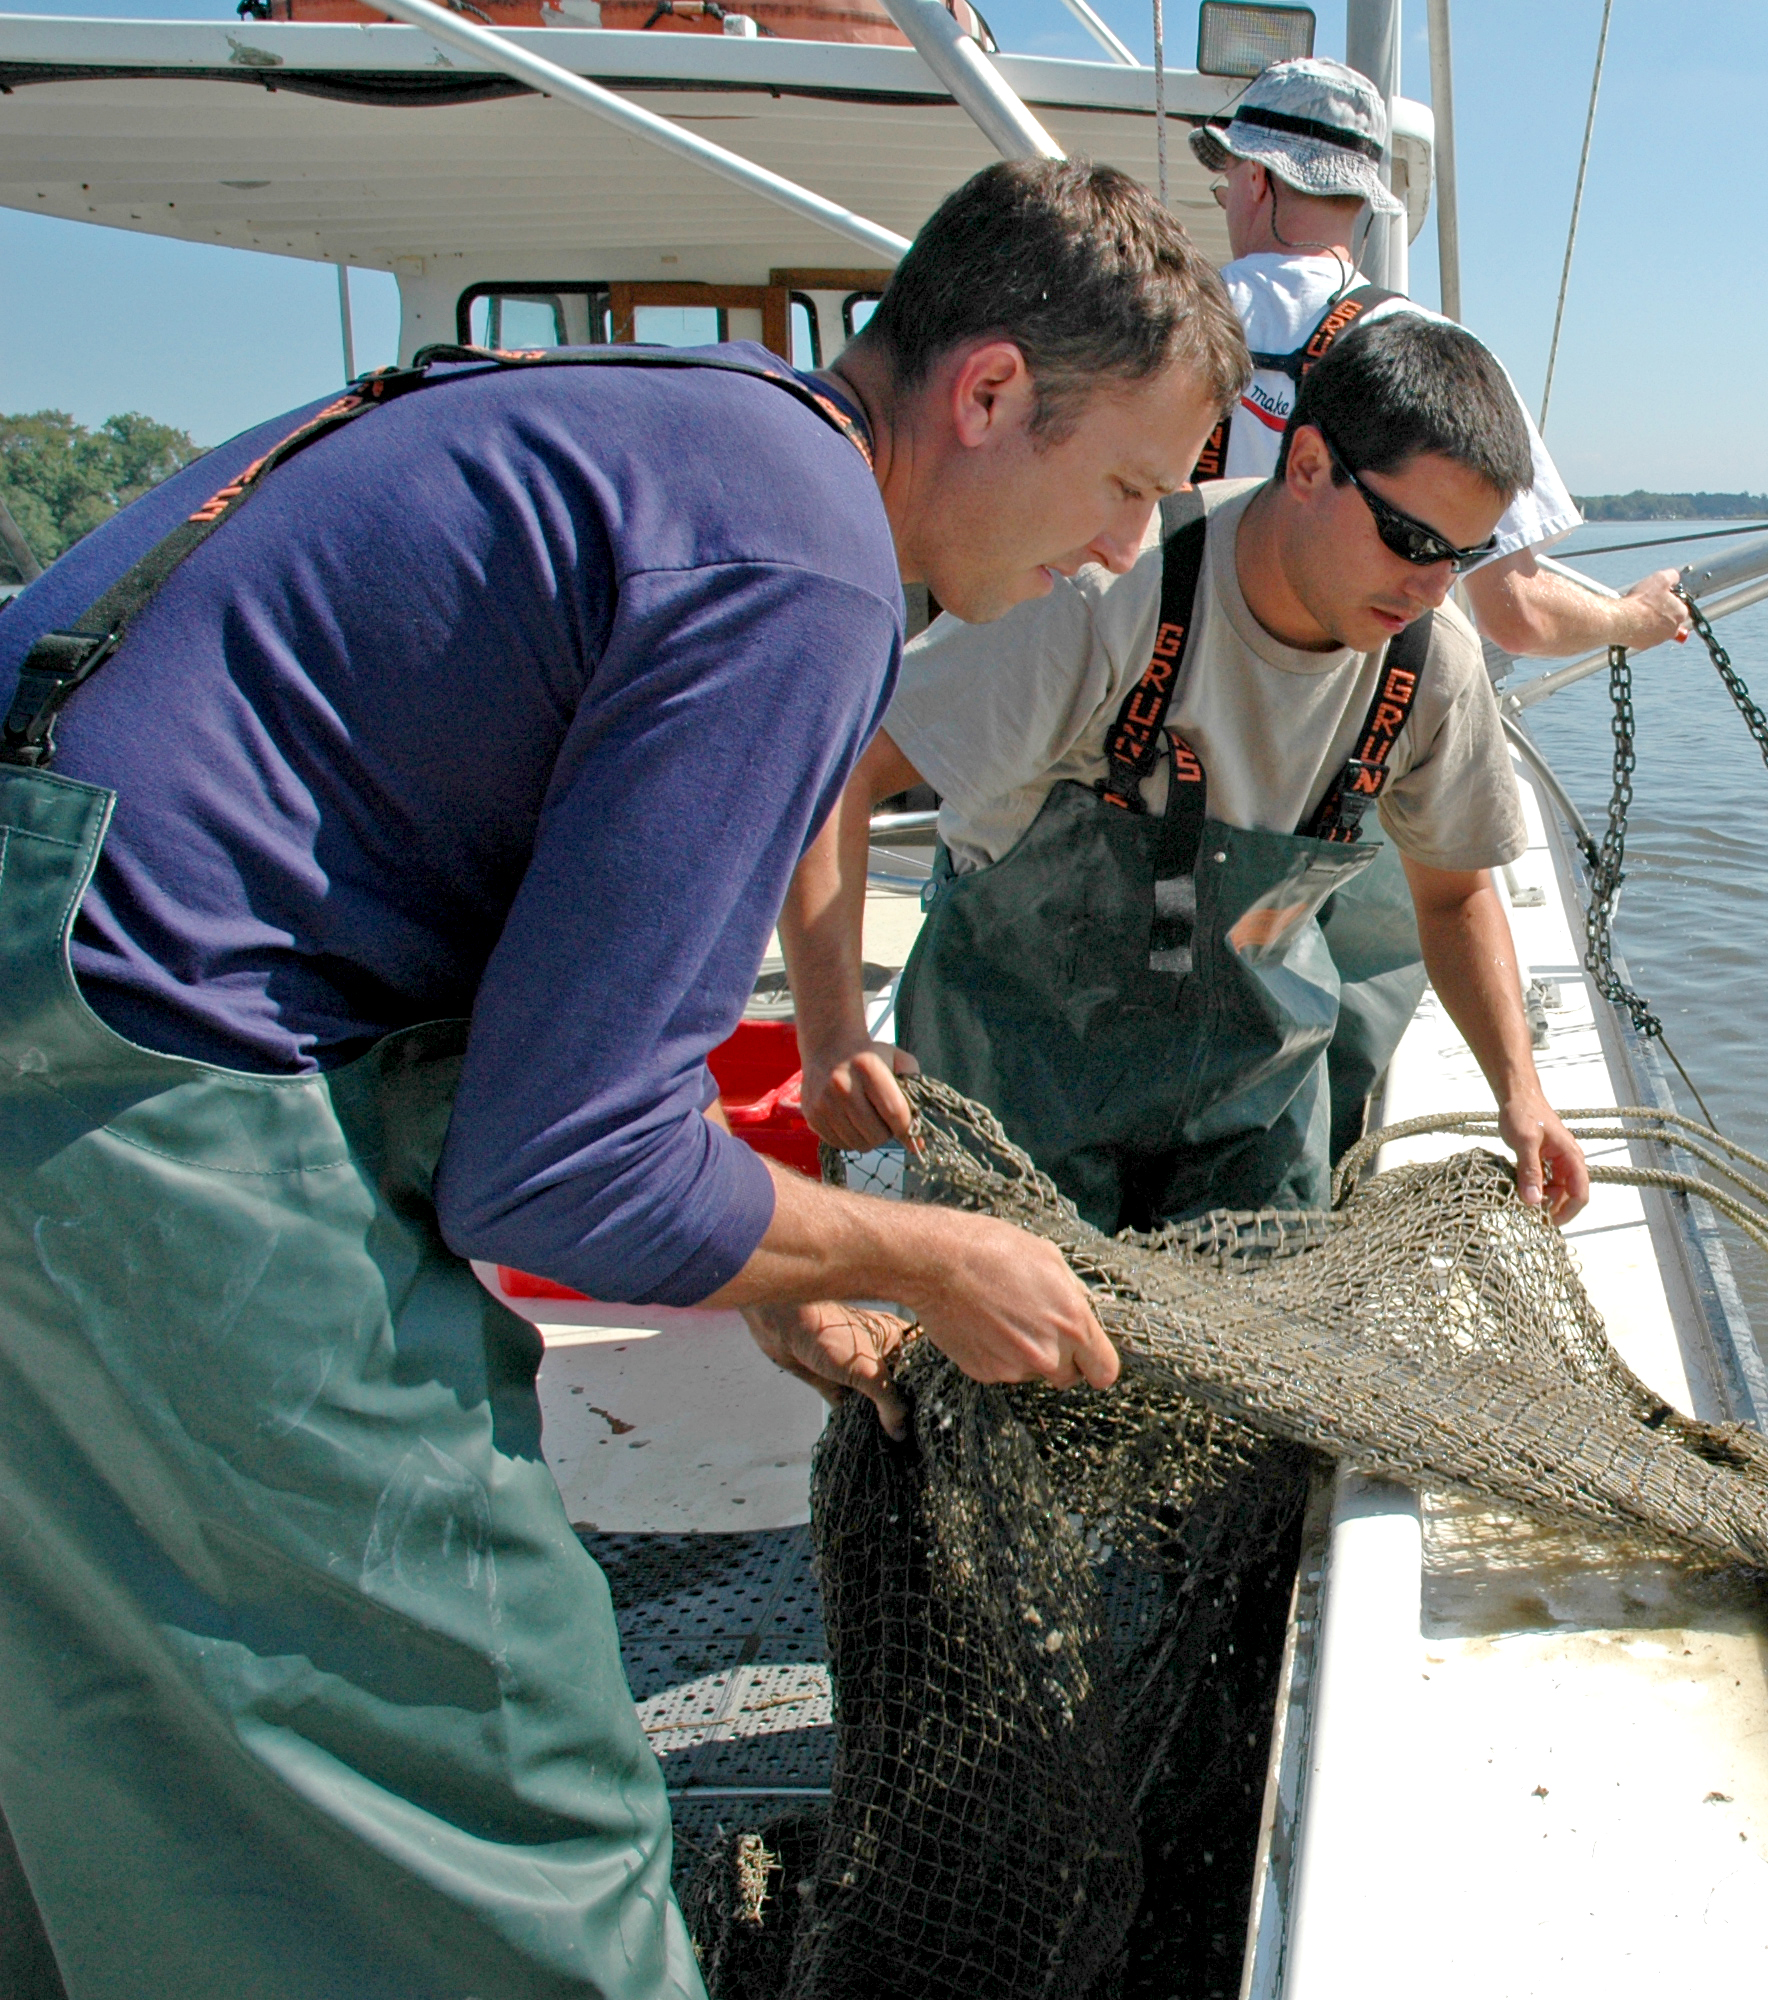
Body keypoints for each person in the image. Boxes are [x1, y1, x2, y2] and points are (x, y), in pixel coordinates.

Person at [0, 159, 1244, 2000]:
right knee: (500, 1785)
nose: (1122, 554)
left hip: (65, 972)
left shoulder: (683, 429)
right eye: (1128, 485)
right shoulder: (808, 560)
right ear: (985, 396)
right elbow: (559, 1172)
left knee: (97, 1754)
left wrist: (775, 1269)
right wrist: (922, 1259)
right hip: (125, 1091)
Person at [784, 311, 1592, 1237]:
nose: (1432, 587)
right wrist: (835, 1035)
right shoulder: (1103, 597)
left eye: (1464, 555)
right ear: (1308, 467)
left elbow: (1452, 898)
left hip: (1248, 1095)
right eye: (1411, 542)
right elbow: (834, 771)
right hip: (1021, 1074)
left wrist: (1521, 1095)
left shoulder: (1429, 665)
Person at [1191, 55, 1693, 1149]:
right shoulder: (1431, 358)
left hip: (1176, 720)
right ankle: (1308, 1191)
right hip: (1351, 745)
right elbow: (1511, 610)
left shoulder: (1173, 321)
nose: (1224, 196)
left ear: (1262, 182)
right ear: (1362, 204)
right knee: (1333, 1026)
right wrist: (1629, 618)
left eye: (1227, 173)